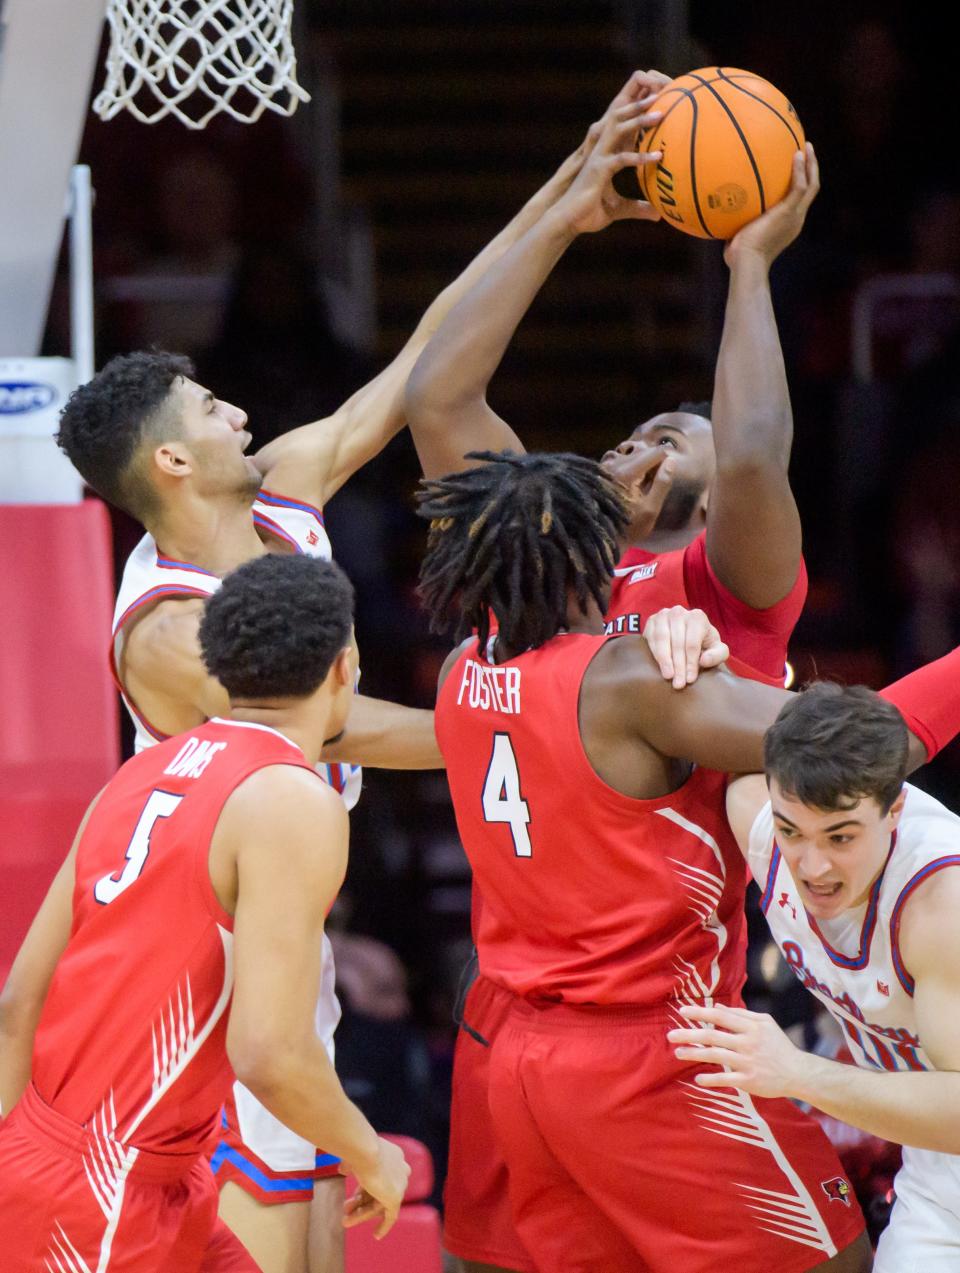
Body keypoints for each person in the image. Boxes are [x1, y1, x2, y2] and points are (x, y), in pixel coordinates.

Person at [53, 93, 656, 1270]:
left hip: (286, 932)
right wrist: (517, 721)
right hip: (204, 975)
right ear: (172, 462)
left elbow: (427, 357)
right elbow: (341, 736)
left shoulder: (279, 483)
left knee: (324, 1246)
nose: (239, 407)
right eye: (210, 408)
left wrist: (564, 203)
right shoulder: (169, 632)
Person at [404, 70, 819, 1273]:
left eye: (668, 435)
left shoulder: (729, 585)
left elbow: (747, 453)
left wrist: (748, 266)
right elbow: (442, 391)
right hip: (551, 1020)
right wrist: (566, 204)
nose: (641, 441)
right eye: (632, 431)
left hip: (639, 1022)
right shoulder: (534, 563)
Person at [418, 448, 960, 1272]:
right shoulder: (627, 682)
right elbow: (852, 744)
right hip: (656, 1044)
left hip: (515, 1047)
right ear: (598, 553)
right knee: (838, 1259)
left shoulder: (461, 673)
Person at [0, 554, 410, 1271]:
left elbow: (16, 1001)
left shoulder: (139, 772)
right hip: (104, 1184)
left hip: (113, 1163)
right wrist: (369, 1152)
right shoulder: (290, 795)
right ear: (345, 665)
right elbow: (269, 1051)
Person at [668, 680, 960, 1270]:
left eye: (841, 837)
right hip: (938, 1171)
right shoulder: (754, 812)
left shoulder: (941, 908)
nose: (813, 867)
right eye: (793, 831)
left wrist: (798, 1072)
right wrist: (686, 632)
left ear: (894, 809)